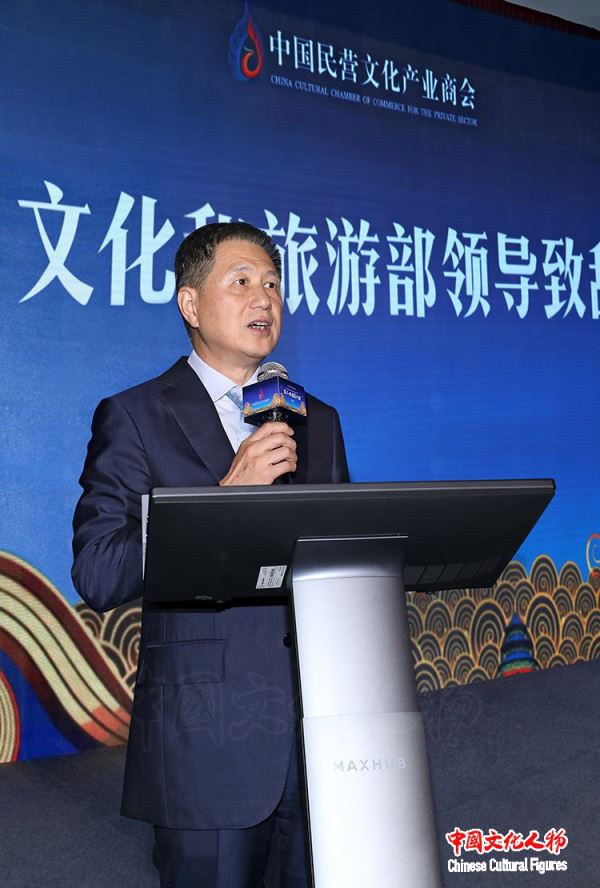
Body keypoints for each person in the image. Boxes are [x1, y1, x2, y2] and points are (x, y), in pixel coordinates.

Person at [72, 221, 349, 888]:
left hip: (321, 739)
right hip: (206, 741)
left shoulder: (318, 420)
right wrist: (222, 497)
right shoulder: (135, 415)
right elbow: (98, 570)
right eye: (243, 281)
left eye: (274, 285)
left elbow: (338, 565)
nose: (265, 298)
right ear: (191, 304)